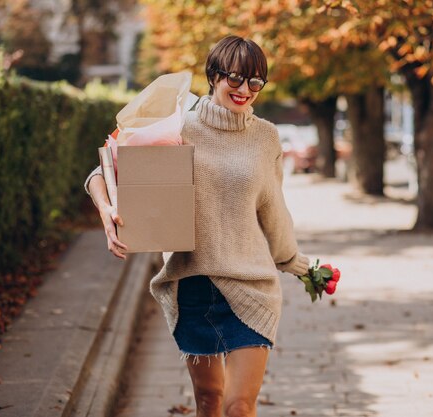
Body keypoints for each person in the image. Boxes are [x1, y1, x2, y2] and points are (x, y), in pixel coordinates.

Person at [84, 35, 309, 417]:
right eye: (235, 79)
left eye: (255, 82)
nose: (244, 90)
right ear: (214, 75)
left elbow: (273, 210)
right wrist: (107, 210)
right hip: (194, 284)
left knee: (240, 406)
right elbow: (102, 170)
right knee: (209, 402)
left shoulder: (266, 136)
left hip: (251, 286)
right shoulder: (176, 128)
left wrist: (293, 260)